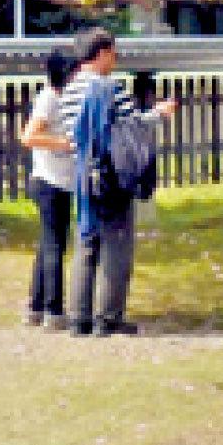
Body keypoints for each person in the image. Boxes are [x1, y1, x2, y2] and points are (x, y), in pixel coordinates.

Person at [57, 27, 176, 337]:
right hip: (111, 175)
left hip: (83, 173)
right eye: (113, 52)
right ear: (101, 54)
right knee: (115, 245)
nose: (116, 57)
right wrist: (159, 113)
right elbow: (129, 127)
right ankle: (108, 317)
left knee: (86, 242)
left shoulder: (69, 90)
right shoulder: (109, 88)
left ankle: (78, 318)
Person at [20, 49, 76, 330]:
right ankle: (54, 311)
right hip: (48, 181)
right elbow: (29, 136)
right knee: (55, 245)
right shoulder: (49, 99)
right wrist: (66, 143)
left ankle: (35, 306)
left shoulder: (63, 99)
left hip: (62, 181)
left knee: (48, 244)